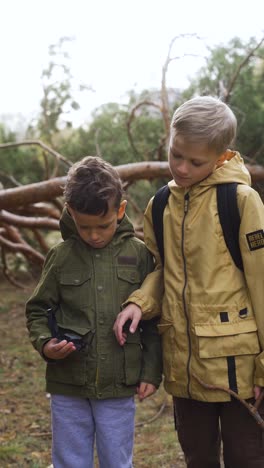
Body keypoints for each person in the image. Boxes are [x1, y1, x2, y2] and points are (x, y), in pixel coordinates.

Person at [113, 96, 264, 468]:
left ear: (222, 155)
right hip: (184, 369)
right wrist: (139, 302)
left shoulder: (242, 202)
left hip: (238, 373)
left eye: (195, 162)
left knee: (248, 457)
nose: (181, 167)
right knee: (197, 456)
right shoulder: (160, 205)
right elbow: (160, 271)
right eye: (175, 154)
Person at [25, 156, 162, 468]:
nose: (95, 235)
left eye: (104, 225)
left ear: (121, 211)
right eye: (85, 227)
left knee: (117, 460)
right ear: (71, 214)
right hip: (68, 384)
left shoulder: (139, 256)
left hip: (119, 385)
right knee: (69, 461)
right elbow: (37, 310)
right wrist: (46, 344)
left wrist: (151, 372)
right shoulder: (60, 257)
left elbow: (153, 321)